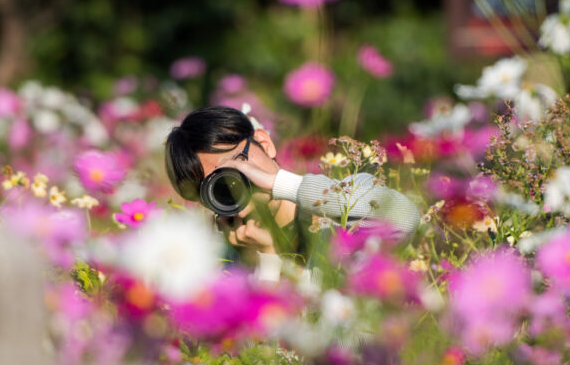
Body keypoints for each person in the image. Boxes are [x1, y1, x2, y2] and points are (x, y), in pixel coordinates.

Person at [164, 105, 421, 281]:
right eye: (218, 188)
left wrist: (281, 183)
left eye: (234, 167)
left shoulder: (340, 211)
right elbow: (258, 356)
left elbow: (404, 217)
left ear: (264, 144)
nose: (234, 188)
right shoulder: (226, 265)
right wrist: (268, 258)